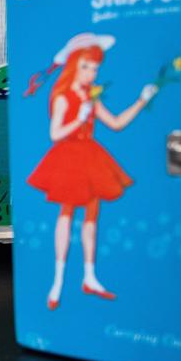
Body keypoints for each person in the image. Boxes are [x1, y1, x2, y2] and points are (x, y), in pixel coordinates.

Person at [26, 33, 157, 310]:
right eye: (86, 66)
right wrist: (80, 118)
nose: (91, 73)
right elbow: (55, 133)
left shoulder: (91, 96)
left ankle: (89, 276)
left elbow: (117, 123)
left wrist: (142, 100)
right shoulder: (63, 97)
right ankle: (58, 280)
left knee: (92, 215)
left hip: (90, 157)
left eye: (95, 68)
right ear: (74, 64)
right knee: (66, 213)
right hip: (68, 157)